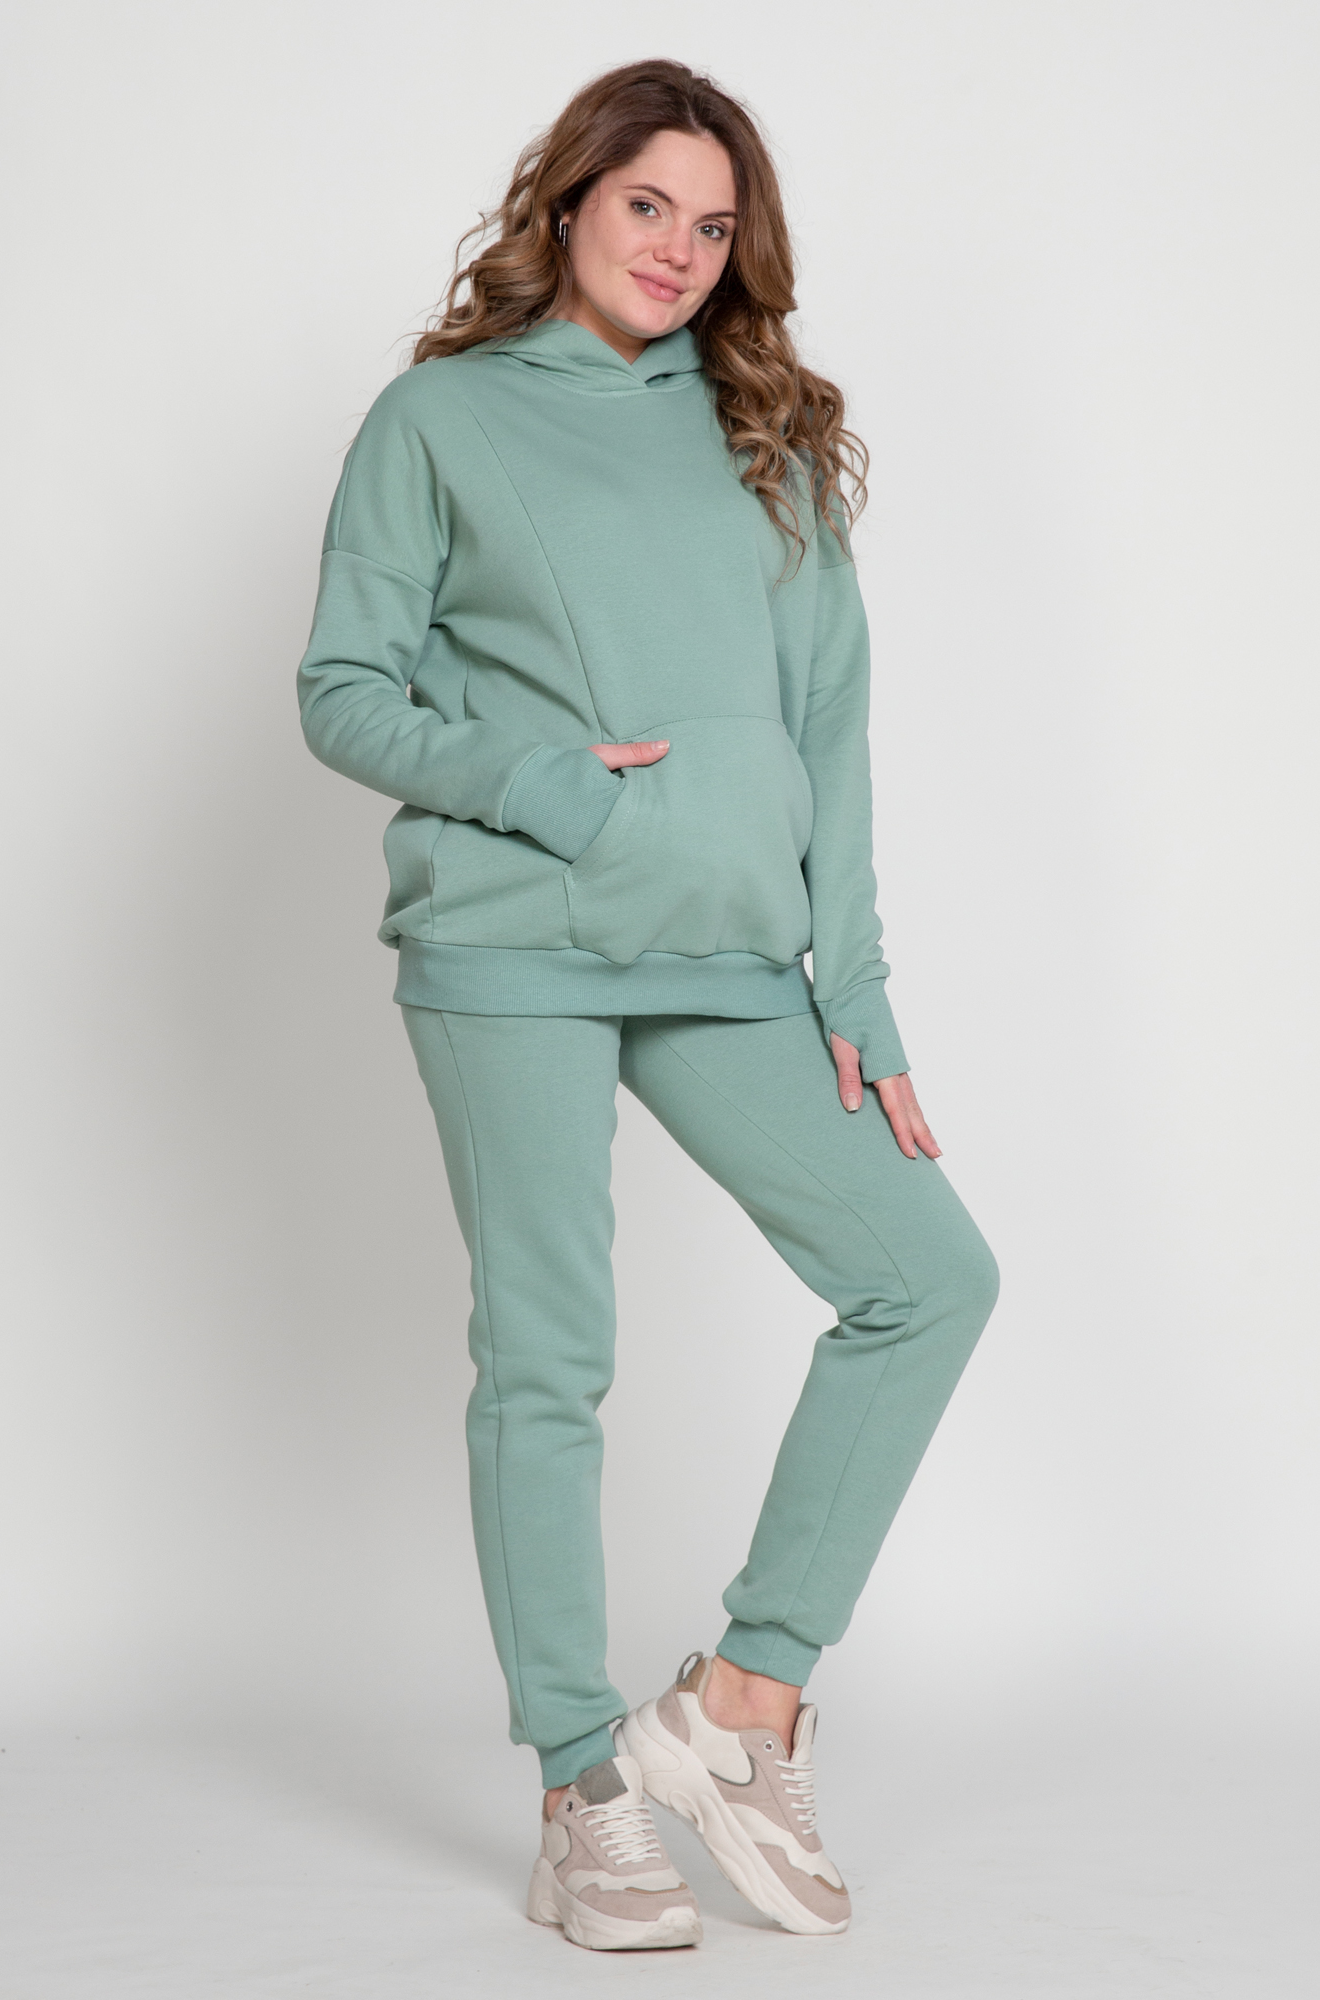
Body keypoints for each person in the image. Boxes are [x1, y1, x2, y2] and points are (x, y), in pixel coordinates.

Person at [297, 58, 998, 1952]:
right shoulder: (439, 419)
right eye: (646, 208)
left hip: (726, 954)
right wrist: (539, 782)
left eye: (712, 224)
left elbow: (828, 726)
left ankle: (741, 1705)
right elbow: (343, 687)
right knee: (550, 1359)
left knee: (928, 1280)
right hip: (510, 940)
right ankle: (575, 1791)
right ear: (568, 203)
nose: (679, 250)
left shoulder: (766, 429)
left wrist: (853, 989)